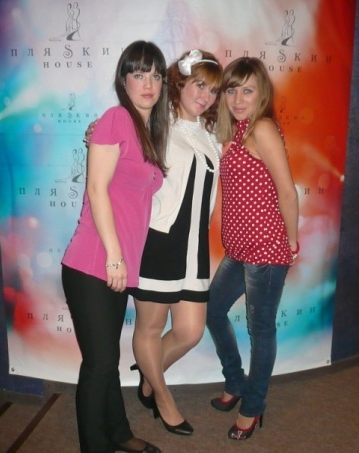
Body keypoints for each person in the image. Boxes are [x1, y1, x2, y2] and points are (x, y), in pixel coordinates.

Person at [61, 40, 169, 453]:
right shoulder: (116, 119)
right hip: (95, 261)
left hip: (114, 264)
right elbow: (96, 189)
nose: (148, 84)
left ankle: (119, 434)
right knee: (100, 364)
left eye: (155, 75)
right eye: (139, 74)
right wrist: (114, 257)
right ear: (124, 81)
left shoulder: (148, 131)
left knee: (106, 361)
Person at [205, 57, 300, 441]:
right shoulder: (232, 131)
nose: (239, 99)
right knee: (212, 310)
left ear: (261, 94)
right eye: (232, 90)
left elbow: (287, 191)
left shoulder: (262, 128)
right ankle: (235, 381)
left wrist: (290, 243)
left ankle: (253, 405)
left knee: (260, 331)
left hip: (266, 250)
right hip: (239, 250)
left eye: (248, 90)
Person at [129, 49, 222, 436]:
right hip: (158, 241)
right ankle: (163, 398)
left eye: (212, 90)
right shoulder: (156, 123)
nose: (205, 96)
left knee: (190, 331)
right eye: (199, 85)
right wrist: (97, 131)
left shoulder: (210, 134)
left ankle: (148, 375)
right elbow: (120, 137)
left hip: (194, 247)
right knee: (150, 329)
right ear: (180, 83)